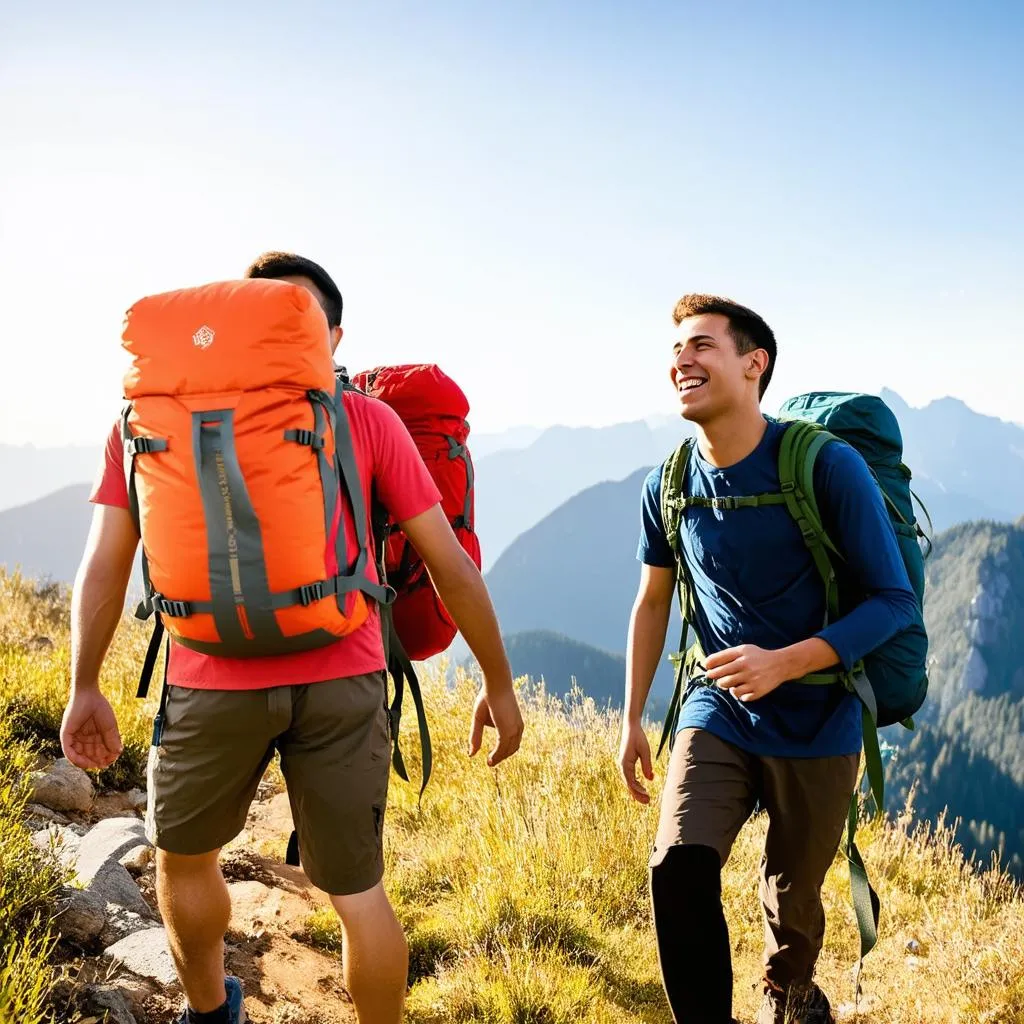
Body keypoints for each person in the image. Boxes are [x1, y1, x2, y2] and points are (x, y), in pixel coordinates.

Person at [60, 251, 525, 1024]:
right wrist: (498, 682)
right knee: (358, 893)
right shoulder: (365, 418)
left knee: (183, 860)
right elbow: (449, 563)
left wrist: (85, 684)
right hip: (343, 679)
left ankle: (211, 1012)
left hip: (206, 674)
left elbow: (104, 565)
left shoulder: (144, 419)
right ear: (331, 337)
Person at [618, 294, 919, 1024]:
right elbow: (652, 602)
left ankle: (789, 995)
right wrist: (631, 718)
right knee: (678, 865)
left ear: (754, 365)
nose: (681, 360)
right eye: (677, 350)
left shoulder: (827, 467)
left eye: (702, 346)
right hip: (718, 707)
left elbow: (892, 601)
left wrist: (786, 662)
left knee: (793, 901)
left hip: (820, 709)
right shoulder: (669, 483)